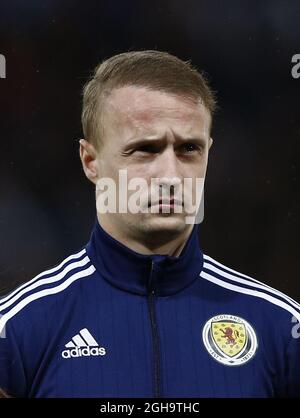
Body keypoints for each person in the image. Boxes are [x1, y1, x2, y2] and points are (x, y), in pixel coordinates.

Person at [0, 50, 299, 398]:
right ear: (90, 161)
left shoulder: (283, 331)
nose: (171, 175)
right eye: (145, 149)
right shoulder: (17, 333)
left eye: (189, 148)